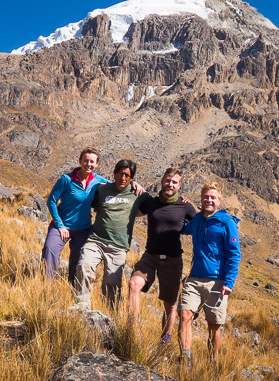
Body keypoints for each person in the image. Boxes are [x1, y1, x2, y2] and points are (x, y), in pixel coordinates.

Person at [128, 168, 196, 345]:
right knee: (134, 284)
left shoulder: (185, 205)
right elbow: (131, 211)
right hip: (150, 257)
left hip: (173, 261)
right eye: (167, 181)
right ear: (162, 181)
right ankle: (132, 329)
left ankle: (165, 340)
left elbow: (199, 226)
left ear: (179, 185)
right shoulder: (152, 202)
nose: (170, 184)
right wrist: (132, 187)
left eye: (174, 182)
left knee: (170, 305)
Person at [178, 181, 241, 368]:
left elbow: (234, 254)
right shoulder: (197, 219)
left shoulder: (226, 222)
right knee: (185, 314)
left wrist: (229, 282)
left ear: (219, 200)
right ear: (201, 198)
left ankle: (212, 363)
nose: (209, 200)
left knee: (214, 326)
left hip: (218, 282)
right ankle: (185, 361)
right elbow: (182, 227)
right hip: (194, 279)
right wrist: (182, 205)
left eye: (213, 197)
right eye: (206, 196)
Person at [73, 159, 149, 307]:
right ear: (114, 174)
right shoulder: (102, 190)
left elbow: (156, 204)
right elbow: (85, 198)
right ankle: (82, 308)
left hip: (118, 246)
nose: (123, 178)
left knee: (112, 283)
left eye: (127, 175)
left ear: (132, 178)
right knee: (83, 266)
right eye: (120, 174)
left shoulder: (137, 193)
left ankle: (109, 315)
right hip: (96, 240)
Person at [42, 147, 108, 283]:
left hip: (83, 228)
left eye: (92, 162)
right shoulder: (66, 179)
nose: (88, 164)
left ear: (97, 164)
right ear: (80, 161)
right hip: (61, 226)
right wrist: (60, 226)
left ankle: (73, 289)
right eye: (85, 161)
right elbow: (52, 201)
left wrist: (134, 184)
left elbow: (118, 185)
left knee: (78, 261)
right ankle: (47, 288)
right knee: (50, 250)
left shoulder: (97, 180)